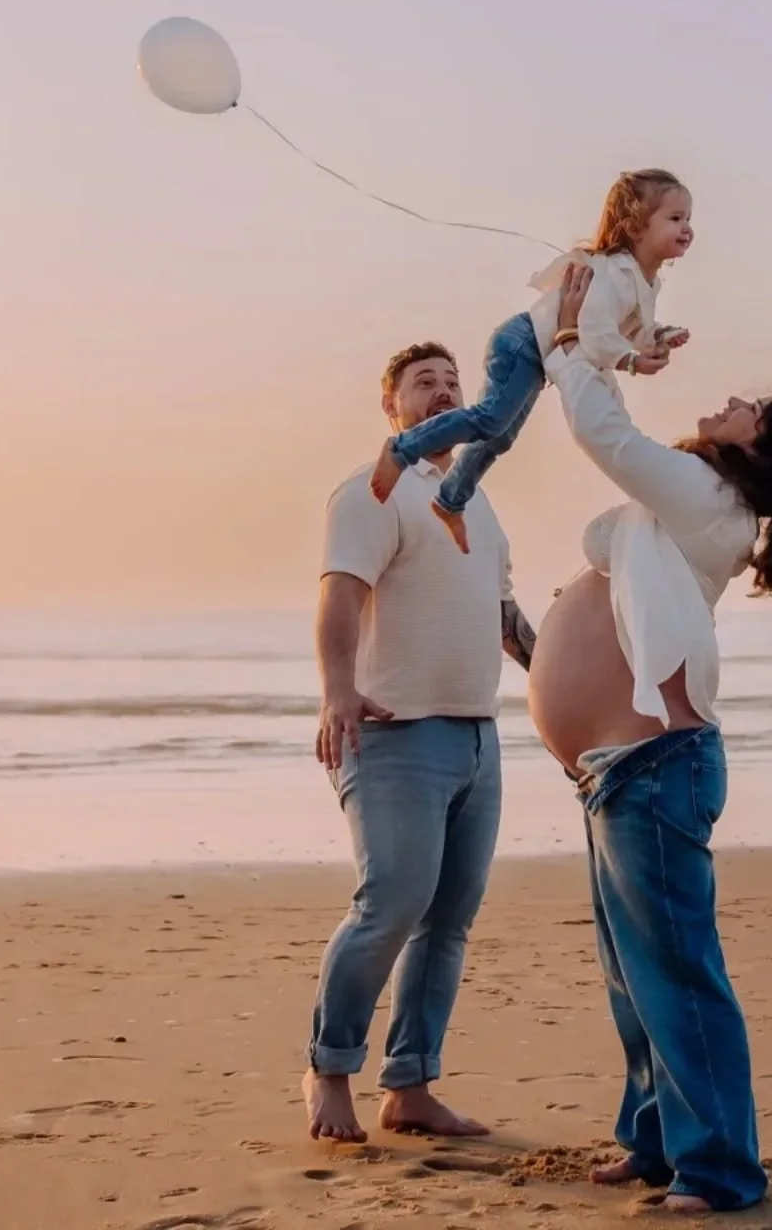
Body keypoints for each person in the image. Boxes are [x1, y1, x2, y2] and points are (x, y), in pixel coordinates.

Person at [527, 264, 772, 1214]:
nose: (733, 401)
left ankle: (720, 1168)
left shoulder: (707, 499)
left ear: (757, 446)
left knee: (677, 978)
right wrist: (621, 352)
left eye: (751, 410)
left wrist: (571, 343)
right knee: (634, 976)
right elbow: (622, 490)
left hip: (653, 766)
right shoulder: (693, 498)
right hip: (620, 770)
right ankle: (658, 1142)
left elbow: (605, 436)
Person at [304, 340, 535, 1144]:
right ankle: (330, 1068)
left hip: (477, 736)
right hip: (393, 733)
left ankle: (410, 1086)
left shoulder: (475, 501)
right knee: (391, 906)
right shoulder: (375, 489)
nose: (442, 392)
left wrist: (560, 681)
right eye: (422, 383)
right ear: (391, 406)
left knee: (449, 920)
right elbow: (340, 596)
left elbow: (503, 616)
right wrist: (337, 690)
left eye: (452, 382)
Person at [370, 169, 694, 550]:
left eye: (688, 219)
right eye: (675, 218)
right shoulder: (613, 271)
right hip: (522, 342)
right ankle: (402, 449)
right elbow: (594, 330)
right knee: (491, 418)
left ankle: (450, 499)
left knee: (500, 436)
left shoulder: (645, 281)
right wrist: (630, 362)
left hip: (539, 358)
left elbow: (632, 328)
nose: (686, 228)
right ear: (636, 227)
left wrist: (658, 336)